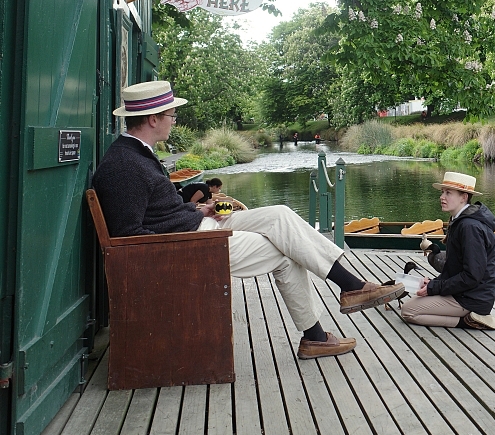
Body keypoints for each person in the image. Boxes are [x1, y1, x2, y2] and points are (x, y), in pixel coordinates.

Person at [92, 81, 404, 359]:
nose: (175, 122)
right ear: (153, 118)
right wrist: (191, 227)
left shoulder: (137, 155)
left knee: (280, 216)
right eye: (172, 116)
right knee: (287, 251)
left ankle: (347, 293)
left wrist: (198, 210)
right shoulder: (125, 166)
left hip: (198, 227)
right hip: (190, 246)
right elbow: (128, 235)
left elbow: (160, 213)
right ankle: (321, 329)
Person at [400, 172, 495, 330]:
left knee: (408, 311)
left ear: (464, 197)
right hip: (466, 293)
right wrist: (435, 283)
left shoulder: (469, 227)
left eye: (448, 193)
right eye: (442, 192)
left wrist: (435, 288)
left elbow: (472, 276)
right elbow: (456, 268)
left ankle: (469, 320)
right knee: (415, 301)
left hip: (473, 298)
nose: (442, 197)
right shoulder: (460, 222)